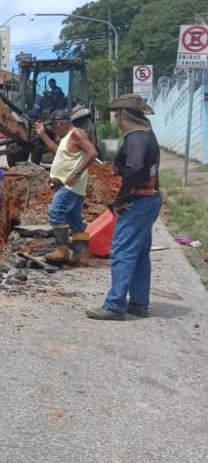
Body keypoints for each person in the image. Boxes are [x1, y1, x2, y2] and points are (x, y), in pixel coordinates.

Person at [86, 94, 162, 321]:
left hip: (138, 201)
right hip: (147, 200)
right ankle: (138, 303)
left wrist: (121, 199)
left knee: (122, 252)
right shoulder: (144, 134)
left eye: (116, 115)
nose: (116, 120)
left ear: (124, 116)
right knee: (139, 254)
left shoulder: (137, 137)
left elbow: (135, 168)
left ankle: (115, 305)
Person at [34, 109, 99, 265]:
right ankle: (80, 255)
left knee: (55, 212)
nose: (54, 130)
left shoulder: (76, 133)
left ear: (61, 123)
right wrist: (42, 134)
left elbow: (92, 152)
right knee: (75, 221)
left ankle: (62, 250)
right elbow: (57, 152)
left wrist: (76, 173)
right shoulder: (67, 138)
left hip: (70, 186)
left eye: (54, 126)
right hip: (71, 186)